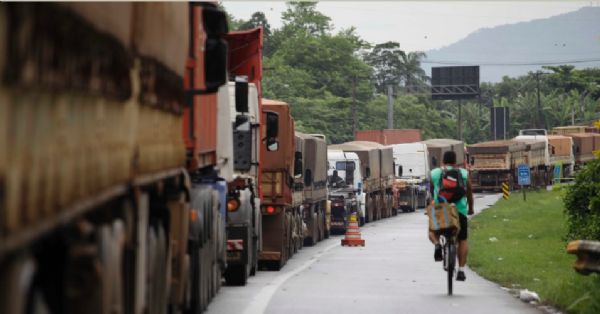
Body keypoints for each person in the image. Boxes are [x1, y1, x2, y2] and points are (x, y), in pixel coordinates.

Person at [428, 151, 474, 281]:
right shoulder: (463, 173)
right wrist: (471, 208)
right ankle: (461, 270)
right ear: (455, 161)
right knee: (462, 239)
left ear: (443, 161)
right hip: (459, 210)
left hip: (440, 210)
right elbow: (469, 192)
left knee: (432, 232)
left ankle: (437, 244)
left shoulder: (435, 173)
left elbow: (431, 192)